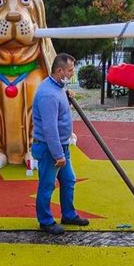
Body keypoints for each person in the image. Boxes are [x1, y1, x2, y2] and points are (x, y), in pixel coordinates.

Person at [31, 53, 88, 235]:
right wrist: (58, 155)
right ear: (59, 71)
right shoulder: (48, 94)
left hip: (60, 146)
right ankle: (45, 221)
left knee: (68, 179)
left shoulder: (57, 87)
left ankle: (69, 214)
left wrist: (66, 94)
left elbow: (59, 112)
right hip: (50, 148)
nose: (72, 74)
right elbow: (49, 128)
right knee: (47, 185)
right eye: (70, 70)